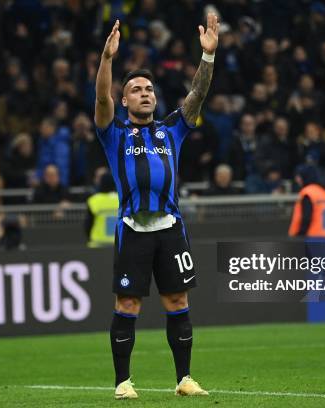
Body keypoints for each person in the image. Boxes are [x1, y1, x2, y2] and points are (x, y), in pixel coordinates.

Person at [94, 15, 218, 399]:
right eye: (136, 89)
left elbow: (196, 96)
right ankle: (122, 382)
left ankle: (184, 379)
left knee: (177, 300)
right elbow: (101, 99)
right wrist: (107, 60)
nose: (145, 93)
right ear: (125, 98)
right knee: (127, 302)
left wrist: (208, 58)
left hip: (170, 228)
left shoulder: (172, 129)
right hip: (132, 228)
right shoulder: (113, 133)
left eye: (149, 88)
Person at [288, 164, 325, 238]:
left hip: (311, 236)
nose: (296, 179)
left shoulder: (308, 193)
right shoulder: (324, 193)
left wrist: (300, 235)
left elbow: (307, 217)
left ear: (305, 176)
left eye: (299, 176)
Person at [85, 172, 119, 247]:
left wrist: (89, 237)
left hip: (97, 244)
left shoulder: (94, 200)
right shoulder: (121, 199)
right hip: (118, 244)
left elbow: (88, 224)